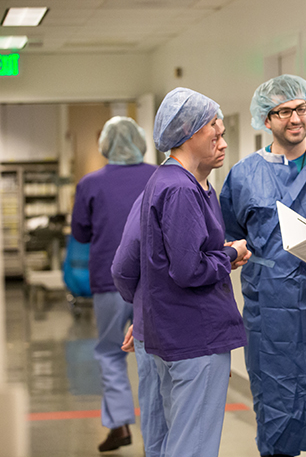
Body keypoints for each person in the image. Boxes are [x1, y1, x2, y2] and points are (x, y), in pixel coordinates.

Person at [220, 74, 306, 457]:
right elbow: (230, 237)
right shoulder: (244, 176)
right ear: (266, 119)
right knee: (275, 409)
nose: (295, 118)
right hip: (269, 316)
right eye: (283, 111)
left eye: (301, 108)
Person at [113, 113, 246, 457]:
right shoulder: (181, 188)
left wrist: (144, 315)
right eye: (215, 135)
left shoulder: (168, 185)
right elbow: (187, 269)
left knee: (163, 438)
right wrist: (229, 255)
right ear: (188, 135)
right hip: (192, 336)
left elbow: (128, 265)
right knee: (193, 443)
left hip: (161, 333)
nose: (223, 143)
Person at [70, 116, 157, 452]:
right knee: (153, 353)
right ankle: (155, 433)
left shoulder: (90, 184)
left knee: (110, 351)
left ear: (104, 145)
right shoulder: (158, 175)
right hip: (152, 282)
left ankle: (120, 423)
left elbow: (80, 232)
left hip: (108, 280)